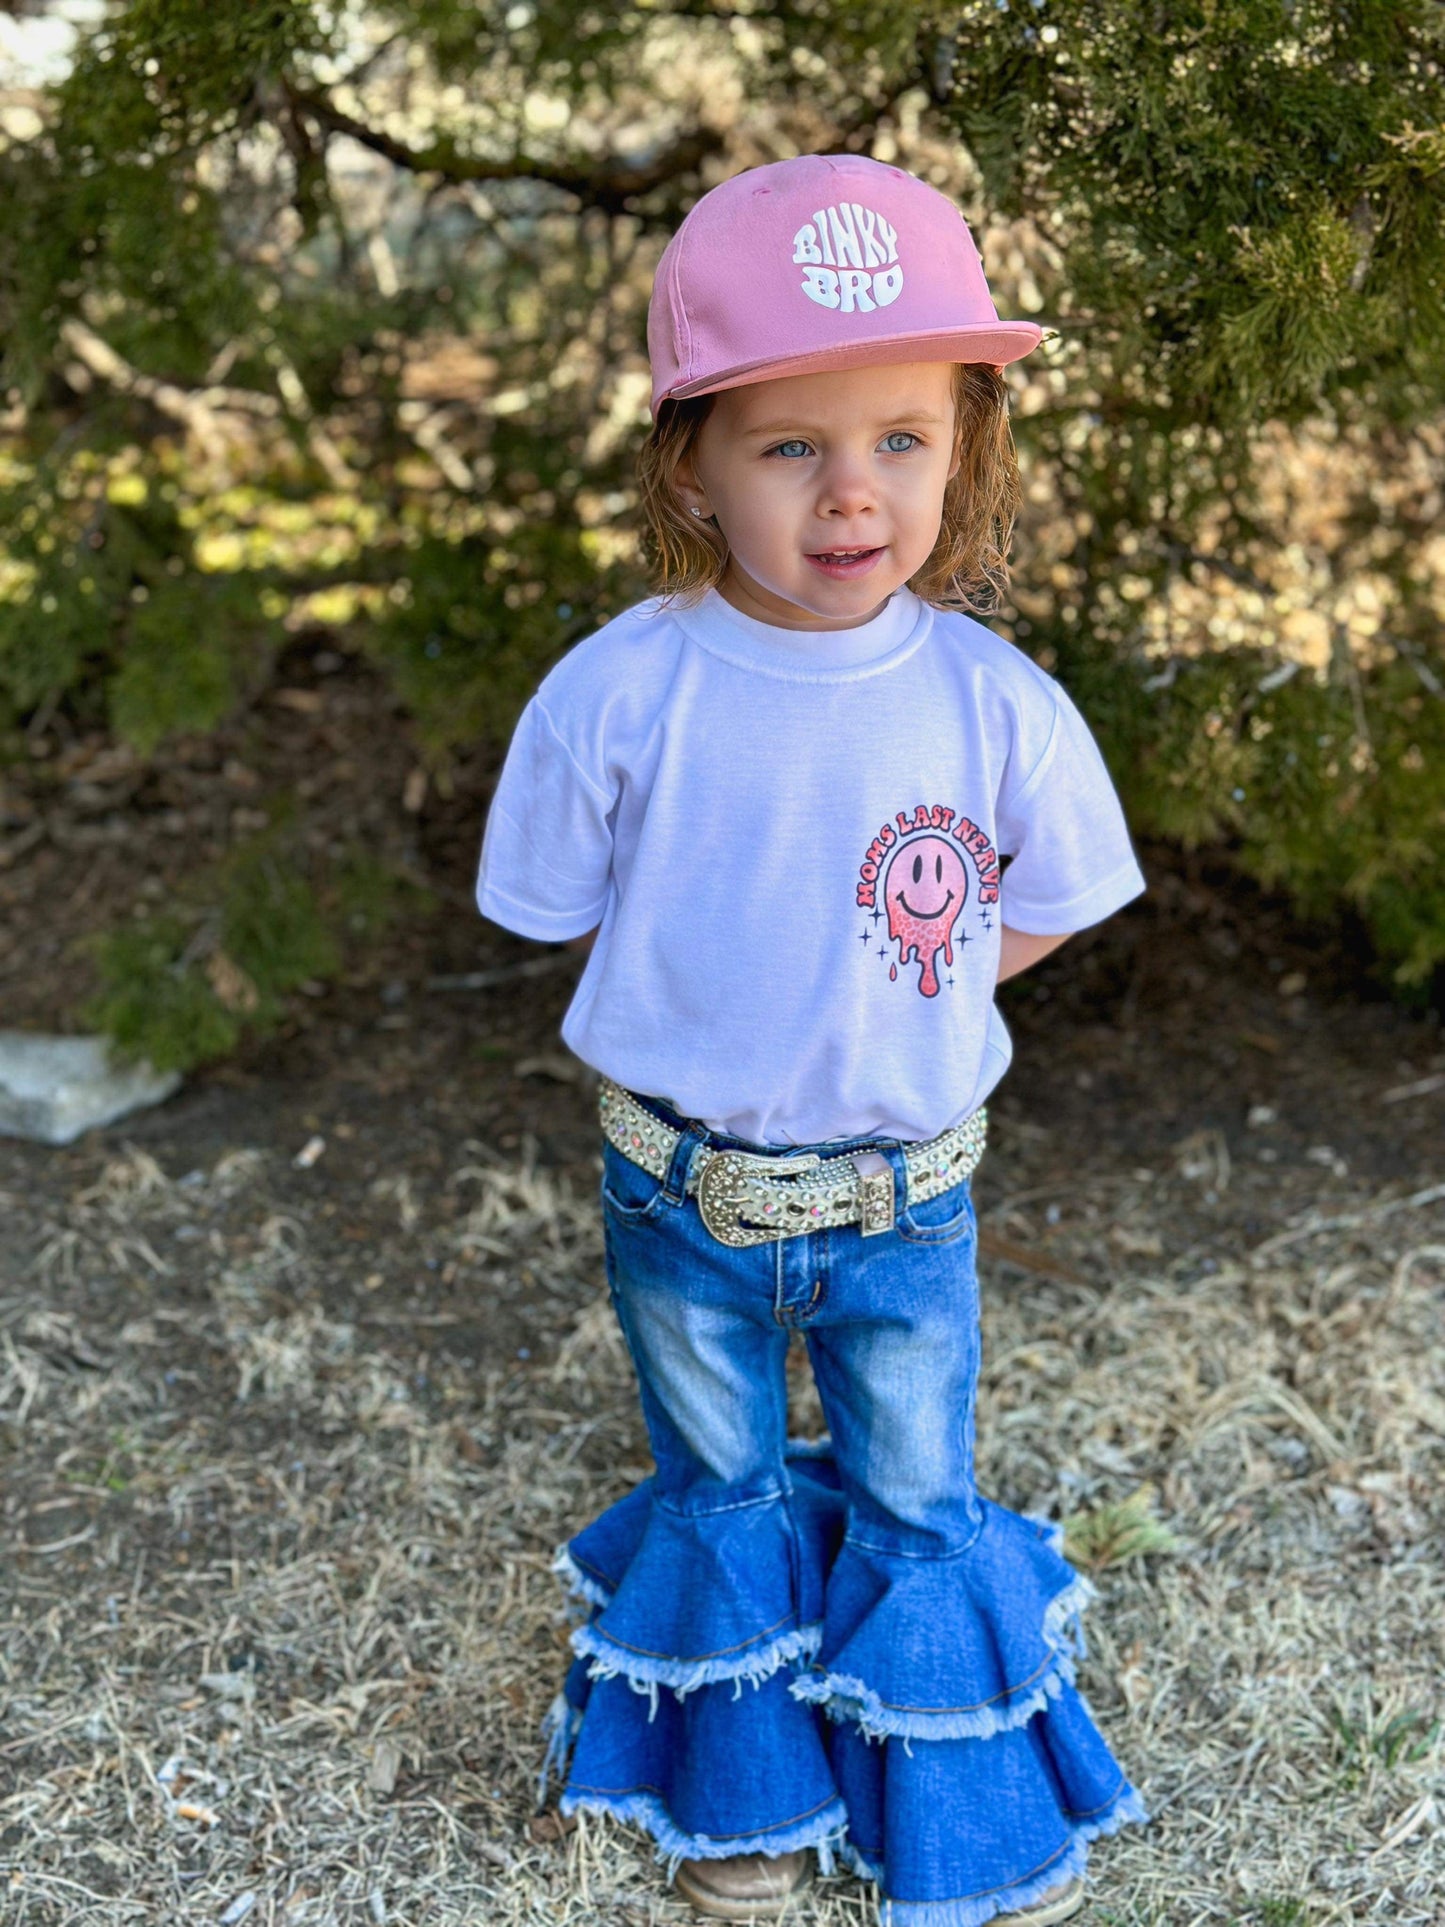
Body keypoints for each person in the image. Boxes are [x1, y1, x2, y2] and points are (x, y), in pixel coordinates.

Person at [476, 152, 1149, 1927]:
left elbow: (1064, 885)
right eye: (790, 447)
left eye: (901, 440)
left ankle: (954, 1806)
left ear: (962, 445)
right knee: (719, 1485)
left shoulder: (987, 699)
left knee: (917, 1493)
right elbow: (548, 904)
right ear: (687, 459)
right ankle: (747, 1795)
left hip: (903, 1201)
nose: (853, 494)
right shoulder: (624, 688)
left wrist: (928, 987)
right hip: (678, 1196)